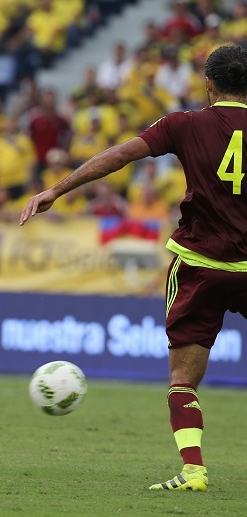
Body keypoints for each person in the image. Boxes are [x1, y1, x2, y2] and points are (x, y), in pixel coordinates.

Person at [19, 45, 247, 493]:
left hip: (200, 265)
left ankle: (195, 471)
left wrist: (58, 190)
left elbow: (121, 155)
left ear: (209, 84)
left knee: (183, 380)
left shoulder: (185, 123)